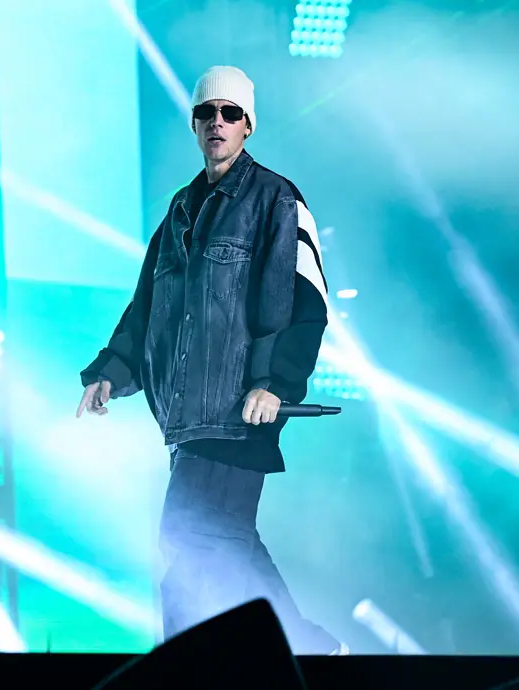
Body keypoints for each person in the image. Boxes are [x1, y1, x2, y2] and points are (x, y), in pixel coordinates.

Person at [77, 65, 343, 654]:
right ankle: (313, 651)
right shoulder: (180, 209)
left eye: (229, 113)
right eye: (206, 113)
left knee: (191, 536)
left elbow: (309, 300)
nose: (217, 122)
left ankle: (181, 664)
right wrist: (111, 372)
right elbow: (148, 306)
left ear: (248, 124)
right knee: (229, 542)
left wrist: (275, 383)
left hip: (238, 414)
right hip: (185, 419)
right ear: (195, 126)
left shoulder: (276, 198)